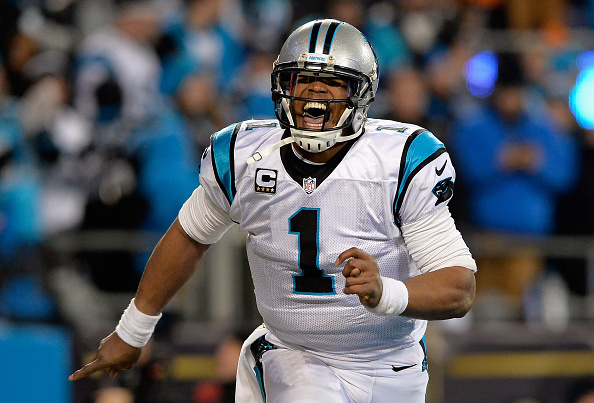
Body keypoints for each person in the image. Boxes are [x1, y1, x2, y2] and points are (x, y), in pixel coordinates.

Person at [69, 19, 477, 402]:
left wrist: (385, 290)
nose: (314, 93)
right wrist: (134, 329)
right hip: (294, 355)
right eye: (305, 79)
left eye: (331, 82)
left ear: (359, 94)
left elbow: (460, 288)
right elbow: (189, 236)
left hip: (392, 364)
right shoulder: (248, 158)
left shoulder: (398, 162)